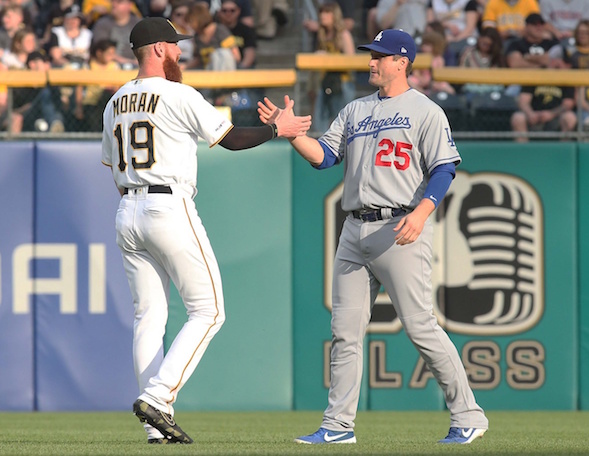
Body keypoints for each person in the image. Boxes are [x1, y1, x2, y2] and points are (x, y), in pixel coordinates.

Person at [258, 28, 489, 446]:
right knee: (345, 331)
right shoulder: (355, 110)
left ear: (402, 62)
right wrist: (291, 134)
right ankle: (337, 426)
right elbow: (324, 158)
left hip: (400, 226)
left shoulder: (426, 110)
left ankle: (468, 415)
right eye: (371, 55)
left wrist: (423, 212)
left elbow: (444, 168)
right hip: (354, 229)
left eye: (380, 56)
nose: (371, 62)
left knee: (420, 327)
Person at [101, 17, 311, 444]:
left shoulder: (115, 100)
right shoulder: (178, 94)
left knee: (149, 317)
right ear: (158, 49)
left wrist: (134, 200)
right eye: (175, 46)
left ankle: (153, 426)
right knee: (209, 310)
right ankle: (158, 399)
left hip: (127, 207)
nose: (180, 52)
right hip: (167, 203)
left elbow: (112, 167)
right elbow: (231, 140)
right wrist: (278, 129)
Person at [304, 1, 356, 133]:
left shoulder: (343, 34)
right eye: (321, 12)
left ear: (335, 15)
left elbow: (352, 60)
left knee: (341, 121)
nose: (323, 16)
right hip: (324, 81)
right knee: (320, 122)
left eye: (327, 12)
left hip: (342, 83)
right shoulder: (321, 35)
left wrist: (328, 56)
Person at [91, 0, 141, 68]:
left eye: (119, 2)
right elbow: (103, 52)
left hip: (137, 68)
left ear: (130, 5)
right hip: (109, 69)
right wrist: (128, 62)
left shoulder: (139, 24)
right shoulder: (101, 24)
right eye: (112, 1)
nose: (114, 4)